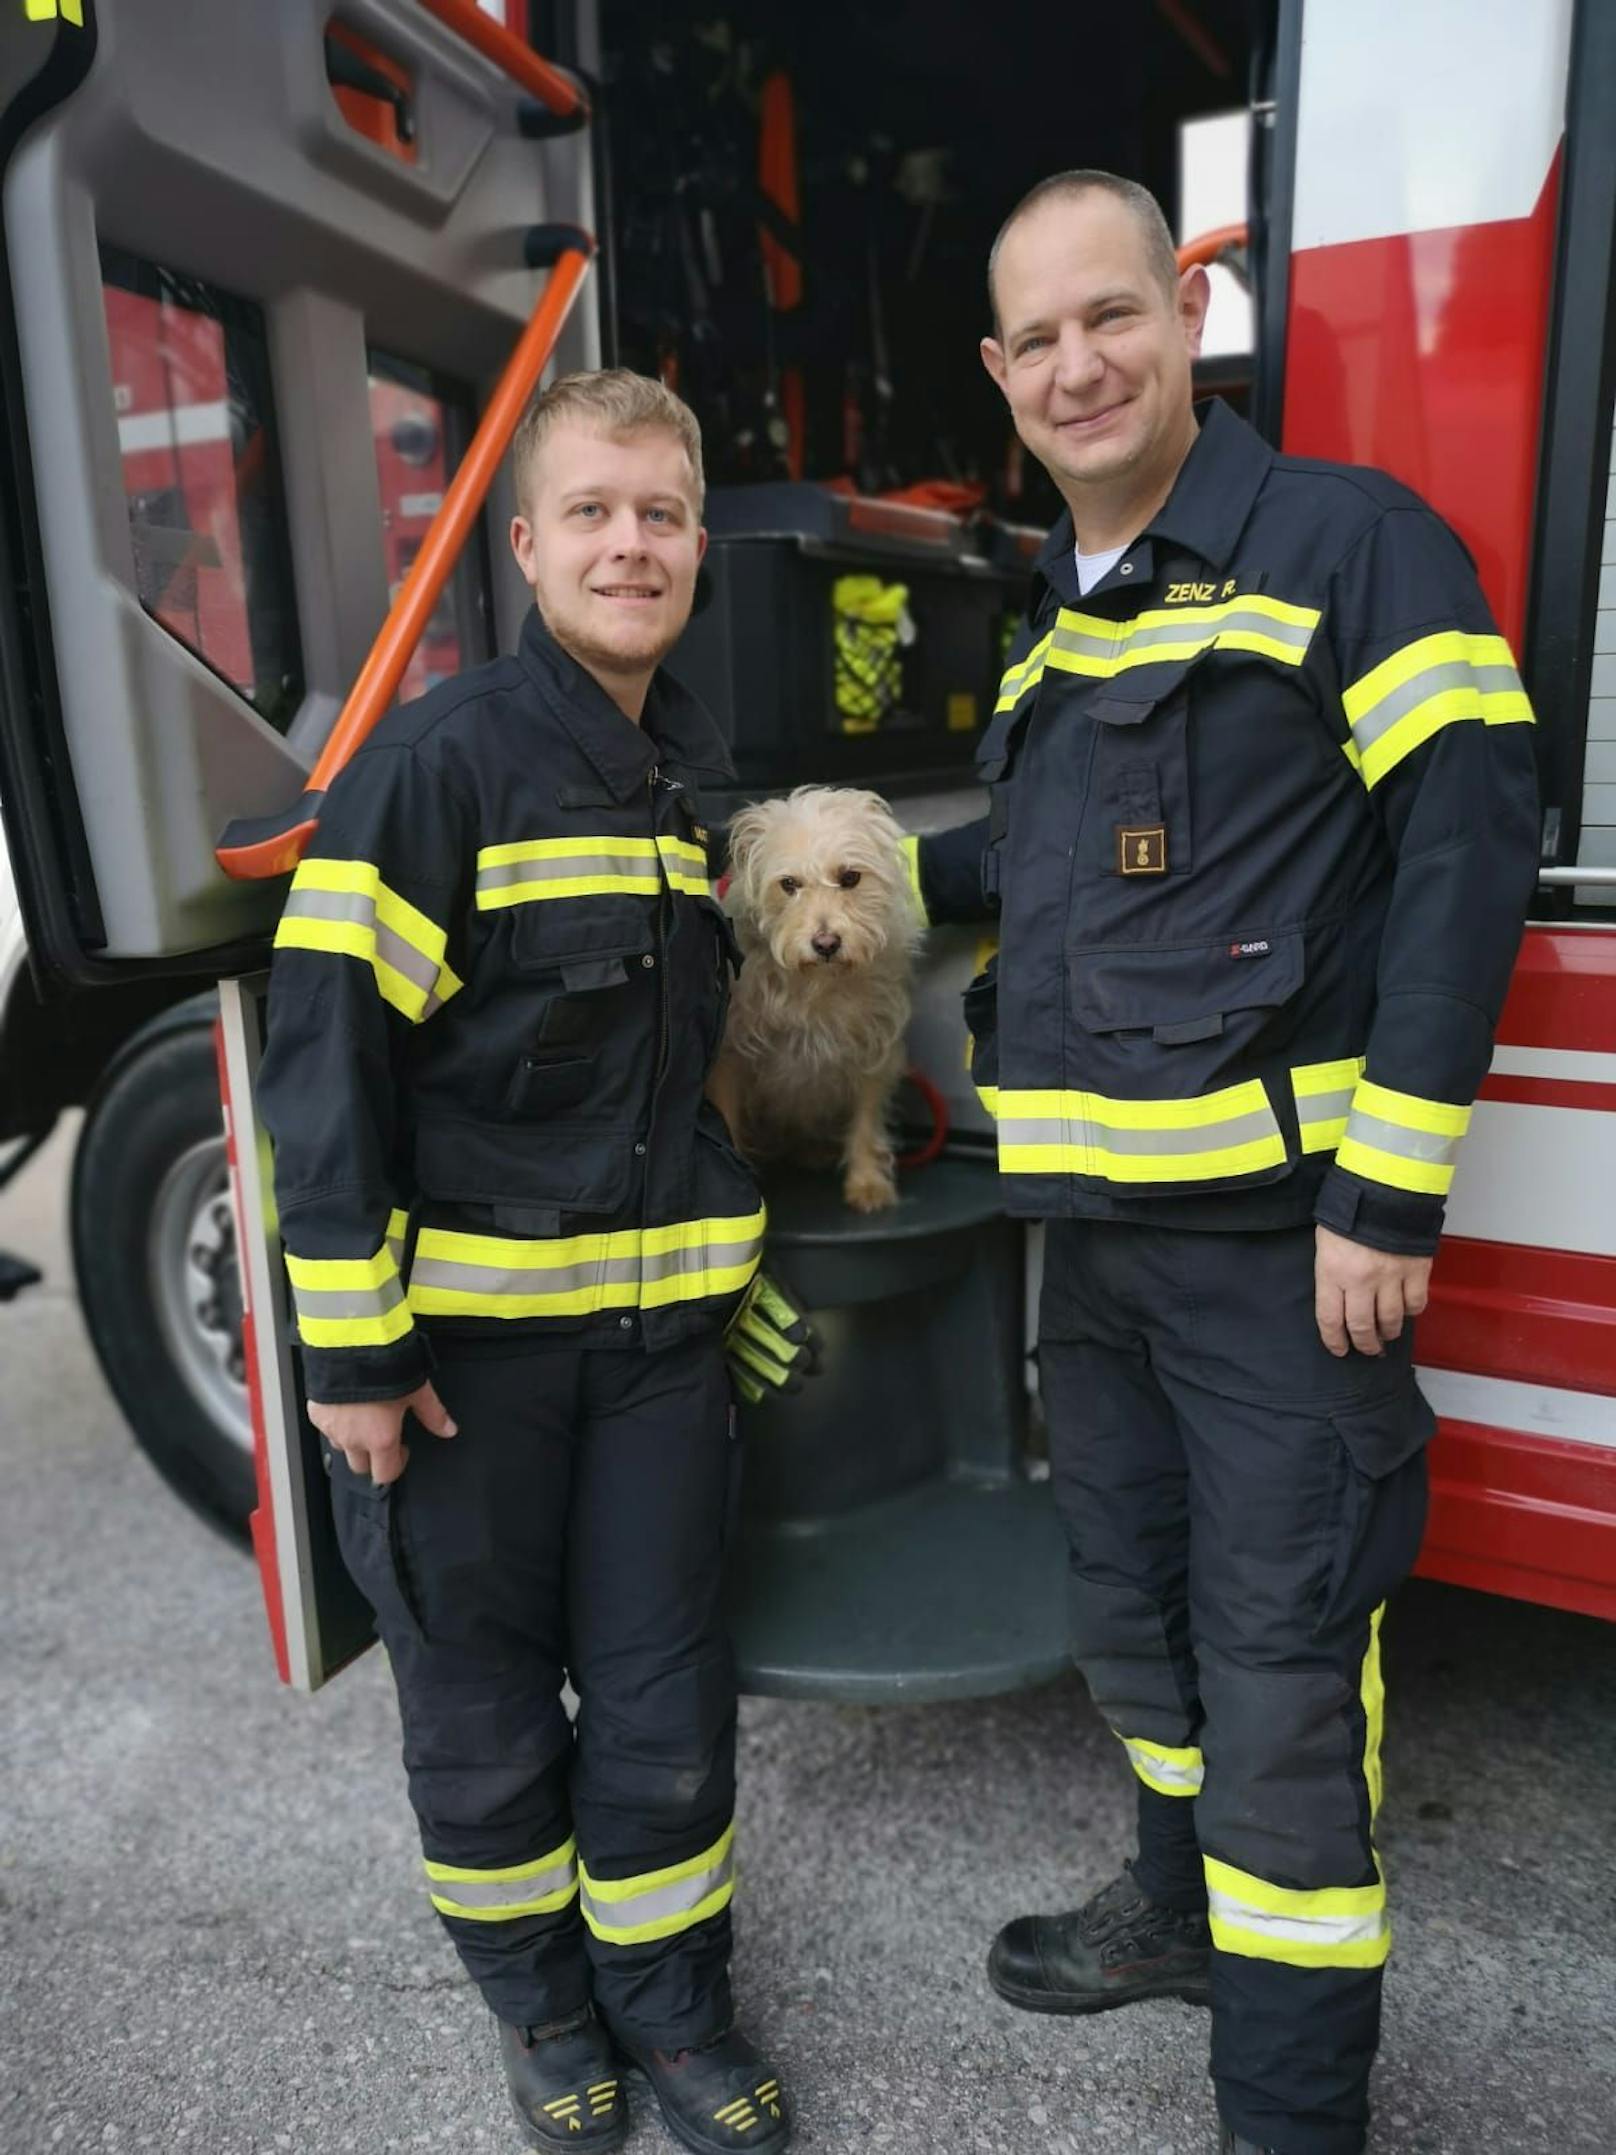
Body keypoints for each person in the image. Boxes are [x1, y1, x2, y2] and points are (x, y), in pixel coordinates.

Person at [909, 172, 1538, 2155]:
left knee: (1274, 1703)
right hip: (1088, 1264)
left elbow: (1467, 842)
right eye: (1042, 339)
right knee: (1138, 1635)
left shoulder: (1341, 545)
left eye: (1117, 316)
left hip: (1281, 1265)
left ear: (1189, 325)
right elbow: (1019, 878)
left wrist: (1387, 1190)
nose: (1082, 364)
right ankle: (1178, 1924)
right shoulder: (1045, 633)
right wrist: (792, 865)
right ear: (999, 377)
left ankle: (1287, 2115)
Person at [257, 370, 807, 2155]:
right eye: (592, 511)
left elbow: (675, 1062)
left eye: (660, 512)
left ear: (700, 545)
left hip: (657, 1360)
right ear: (524, 546)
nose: (630, 544)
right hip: (460, 1375)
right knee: (483, 1720)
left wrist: (737, 1254)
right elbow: (323, 1068)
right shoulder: (437, 767)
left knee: (665, 1703)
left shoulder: (682, 775)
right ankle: (545, 2009)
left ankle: (670, 2004)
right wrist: (349, 1356)